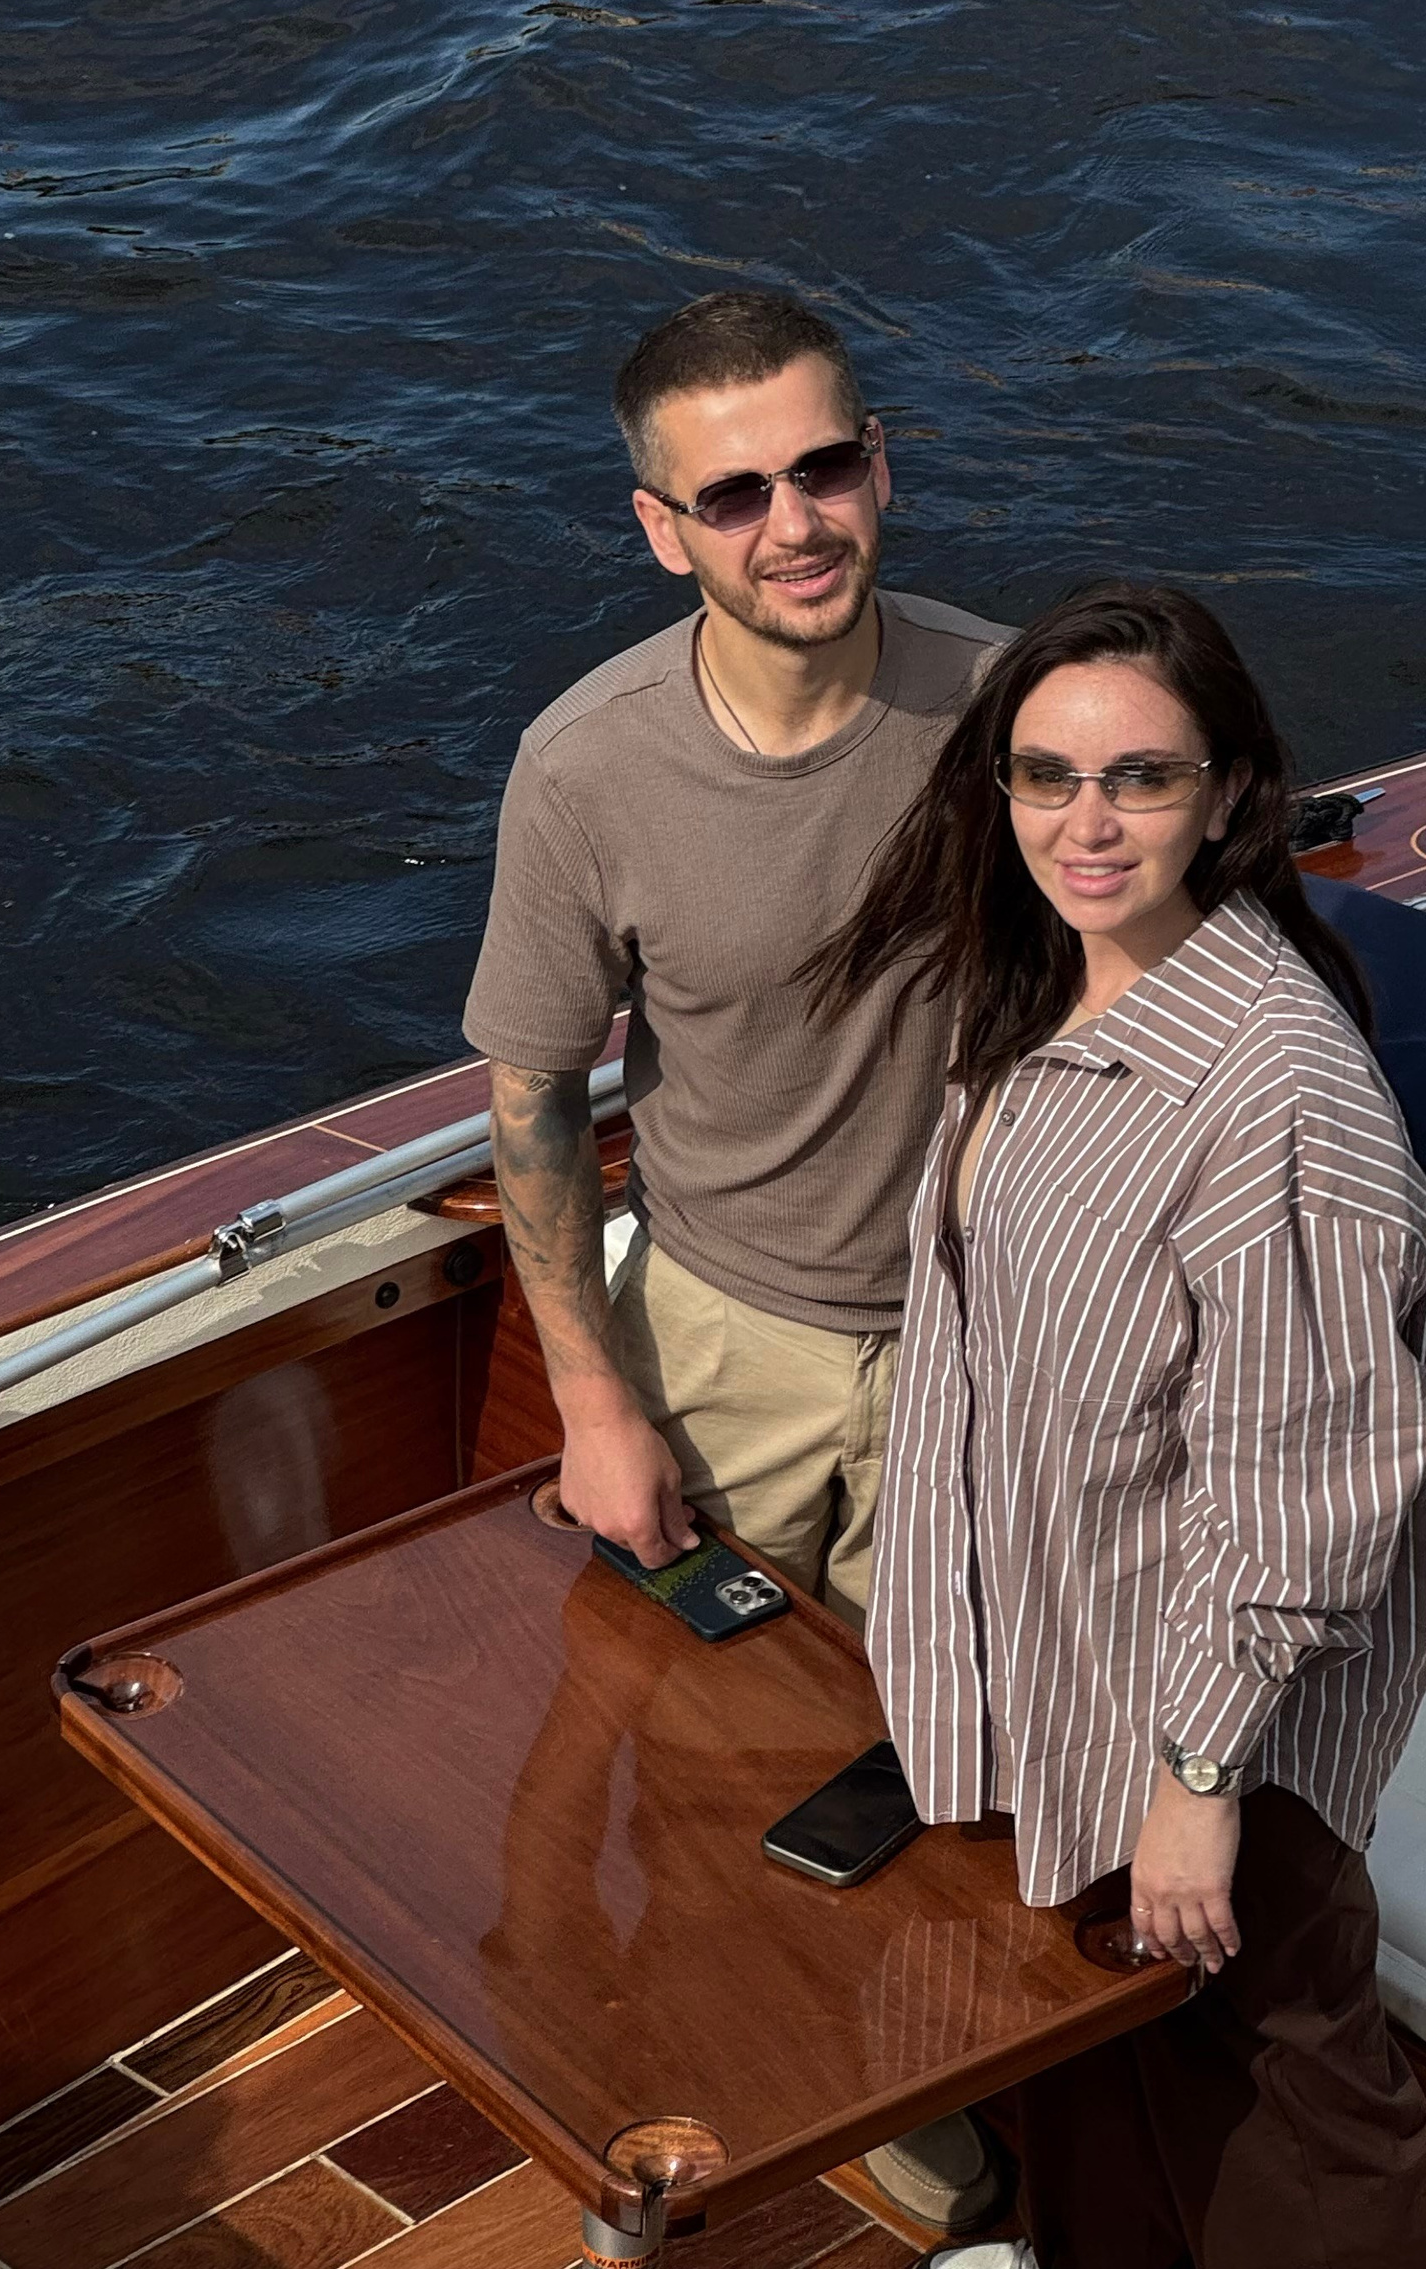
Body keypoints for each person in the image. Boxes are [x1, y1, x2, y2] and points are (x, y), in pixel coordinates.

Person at [809, 583, 1426, 2269]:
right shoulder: (1036, 988)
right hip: (1054, 1678)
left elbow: (1305, 1478)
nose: (1083, 823)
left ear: (1233, 794)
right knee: (1088, 2078)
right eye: (1045, 776)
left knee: (1292, 2123)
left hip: (1193, 1727)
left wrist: (1196, 1779)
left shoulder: (1278, 1083)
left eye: (1140, 780)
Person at [460, 285, 1008, 2240]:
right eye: (735, 491)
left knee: (943, 1769)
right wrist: (598, 1406)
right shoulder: (583, 770)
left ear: (885, 463)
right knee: (687, 1761)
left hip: (970, 1349)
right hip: (715, 1343)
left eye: (826, 465)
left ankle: (914, 2108)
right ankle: (691, 2082)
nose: (796, 521)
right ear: (658, 527)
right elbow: (529, 1099)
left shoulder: (1014, 710)